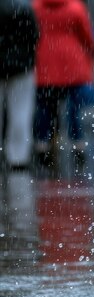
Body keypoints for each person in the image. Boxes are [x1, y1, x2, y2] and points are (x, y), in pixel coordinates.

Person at [32, 0, 94, 167]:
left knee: (45, 107)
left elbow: (30, 32)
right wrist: (90, 53)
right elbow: (87, 36)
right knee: (74, 108)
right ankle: (77, 143)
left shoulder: (36, 7)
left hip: (44, 61)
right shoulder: (76, 7)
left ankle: (43, 144)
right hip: (72, 62)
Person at [0, 0, 39, 170]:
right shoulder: (24, 8)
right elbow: (35, 36)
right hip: (21, 66)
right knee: (21, 112)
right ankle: (18, 157)